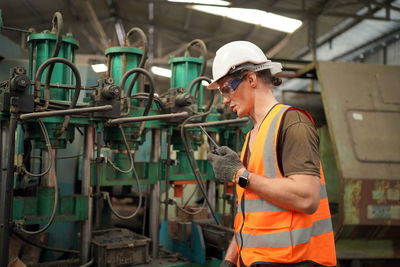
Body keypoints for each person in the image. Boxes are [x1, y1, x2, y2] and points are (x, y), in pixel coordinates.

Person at [207, 41, 336, 267]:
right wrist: (231, 258)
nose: (224, 99)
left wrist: (239, 174)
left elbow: (307, 198)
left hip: (294, 261)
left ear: (250, 79)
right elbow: (251, 214)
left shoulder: (293, 123)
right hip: (257, 260)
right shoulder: (252, 135)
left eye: (226, 88)